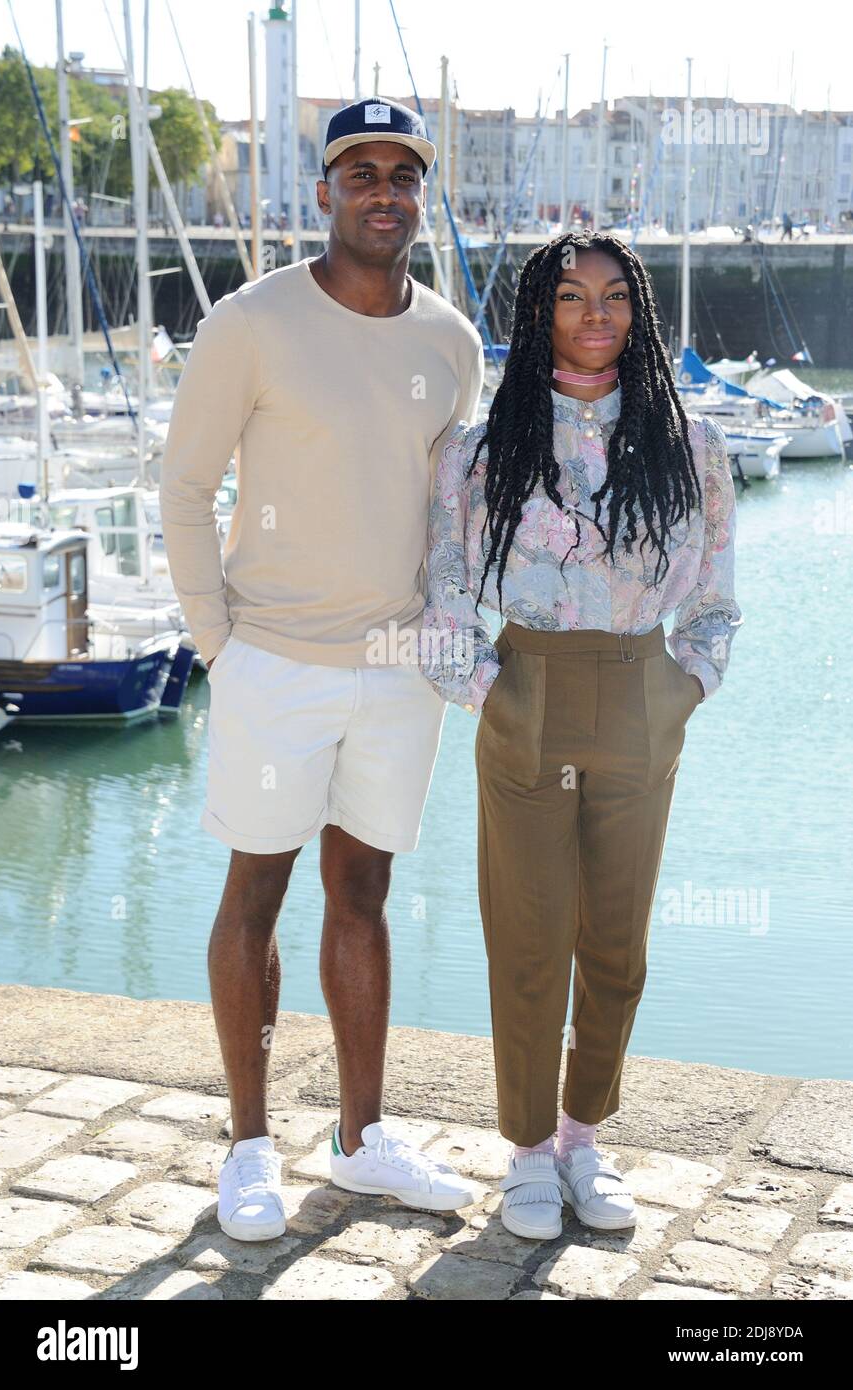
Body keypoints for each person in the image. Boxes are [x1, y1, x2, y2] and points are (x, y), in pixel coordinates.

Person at [159, 96, 486, 1241]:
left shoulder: (450, 340)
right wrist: (215, 641)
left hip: (400, 666)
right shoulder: (248, 321)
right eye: (361, 172)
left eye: (402, 174)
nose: (383, 191)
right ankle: (248, 1145)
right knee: (255, 889)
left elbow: (452, 508)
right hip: (273, 659)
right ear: (326, 191)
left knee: (364, 894)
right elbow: (184, 484)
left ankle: (359, 1140)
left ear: (419, 193)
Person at [420, 231, 743, 1241]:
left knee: (615, 942)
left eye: (611, 297)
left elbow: (717, 603)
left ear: (637, 313)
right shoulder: (478, 450)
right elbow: (435, 596)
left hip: (639, 696)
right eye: (569, 296)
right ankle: (522, 1150)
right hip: (525, 692)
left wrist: (680, 687)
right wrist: (489, 691)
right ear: (538, 314)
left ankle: (581, 1137)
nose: (593, 314)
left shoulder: (691, 446)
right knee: (526, 940)